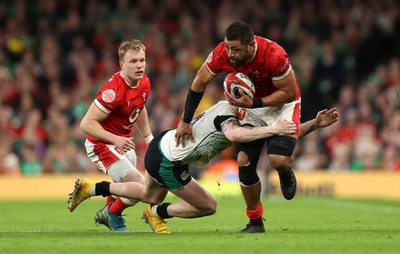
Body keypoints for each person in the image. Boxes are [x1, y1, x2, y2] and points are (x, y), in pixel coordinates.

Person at [68, 100, 339, 233]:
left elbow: (279, 134)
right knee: (209, 206)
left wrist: (314, 124)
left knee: (147, 193)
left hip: (164, 144)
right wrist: (274, 127)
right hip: (169, 162)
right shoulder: (228, 114)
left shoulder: (238, 111)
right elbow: (236, 136)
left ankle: (94, 189)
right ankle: (157, 213)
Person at [175, 21, 302, 233]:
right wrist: (185, 120)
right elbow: (199, 82)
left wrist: (254, 103)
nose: (230, 54)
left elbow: (289, 92)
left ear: (251, 46)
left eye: (235, 49)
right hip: (251, 107)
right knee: (244, 160)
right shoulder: (222, 54)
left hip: (282, 106)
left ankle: (284, 170)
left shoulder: (274, 55)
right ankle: (255, 222)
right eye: (227, 47)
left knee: (277, 160)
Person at [77, 39, 154, 232]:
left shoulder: (144, 82)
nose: (139, 65)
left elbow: (140, 108)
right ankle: (108, 209)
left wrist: (148, 137)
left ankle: (106, 211)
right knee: (140, 187)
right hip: (102, 144)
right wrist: (115, 139)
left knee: (130, 188)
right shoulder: (112, 92)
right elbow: (86, 124)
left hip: (123, 143)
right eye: (133, 61)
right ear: (122, 65)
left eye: (142, 60)